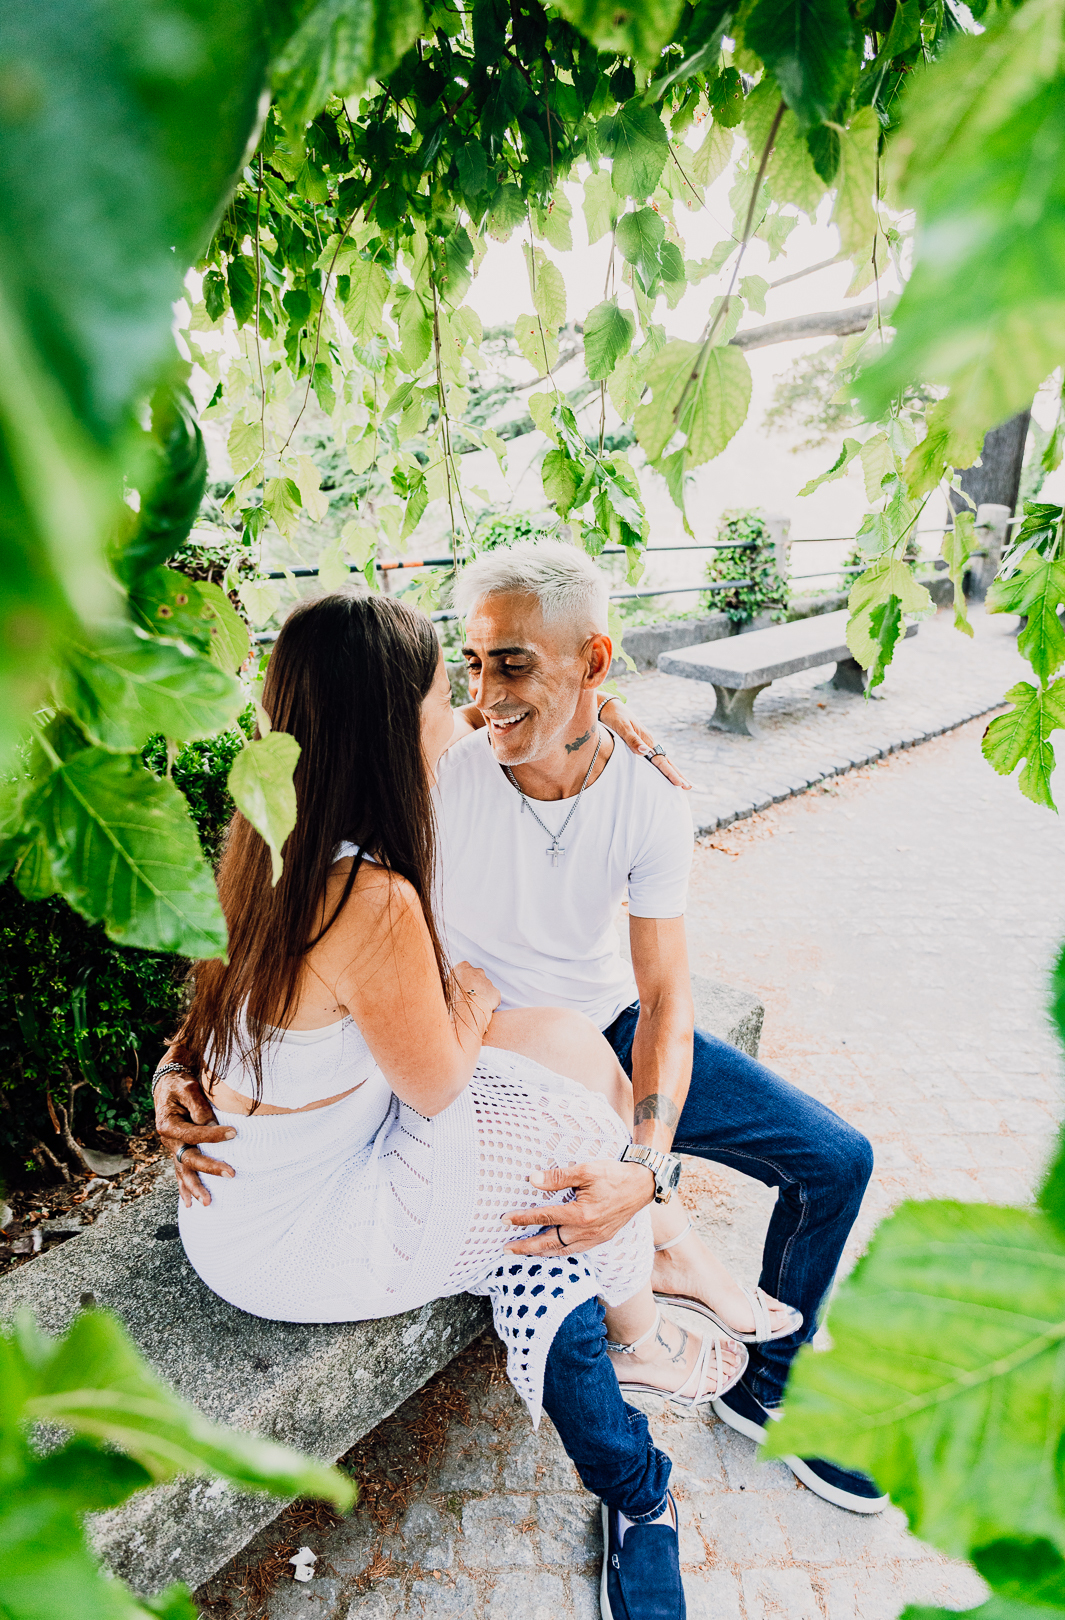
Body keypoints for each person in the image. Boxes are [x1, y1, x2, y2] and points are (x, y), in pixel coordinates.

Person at [158, 590, 748, 1620]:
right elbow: (435, 1084)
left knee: (559, 1065)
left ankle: (644, 1307)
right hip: (301, 1235)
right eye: (446, 693)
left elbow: (233, 1009)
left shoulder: (266, 834)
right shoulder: (372, 897)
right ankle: (641, 1424)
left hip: (249, 1194)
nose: (468, 709)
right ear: (393, 727)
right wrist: (466, 998)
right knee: (559, 1185)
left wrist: (601, 713)